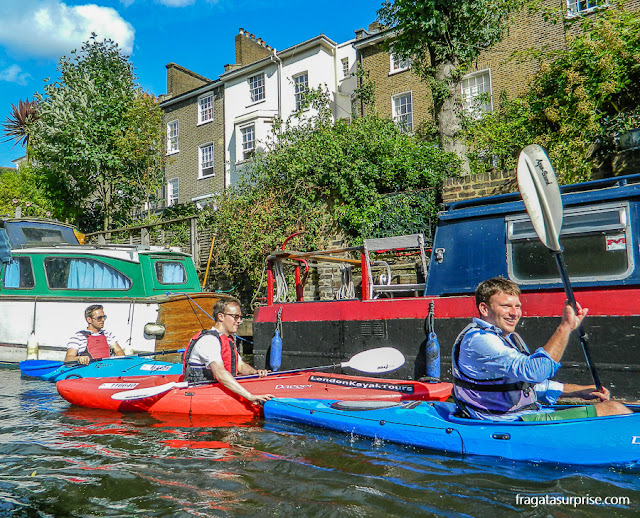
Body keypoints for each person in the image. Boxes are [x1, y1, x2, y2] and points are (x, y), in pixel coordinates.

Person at [452, 277, 630, 421]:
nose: (515, 313)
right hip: (504, 421)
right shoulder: (480, 341)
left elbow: (530, 385)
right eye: (506, 306)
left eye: (518, 306)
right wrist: (565, 327)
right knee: (615, 409)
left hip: (521, 414)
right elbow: (535, 372)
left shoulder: (506, 338)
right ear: (484, 308)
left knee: (616, 406)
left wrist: (579, 391)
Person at [183, 297, 273, 406]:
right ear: (220, 316)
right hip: (201, 392)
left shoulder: (227, 339)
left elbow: (240, 365)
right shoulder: (209, 340)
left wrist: (255, 372)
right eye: (235, 317)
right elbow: (220, 373)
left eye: (240, 317)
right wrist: (249, 396)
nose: (239, 321)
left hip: (218, 388)